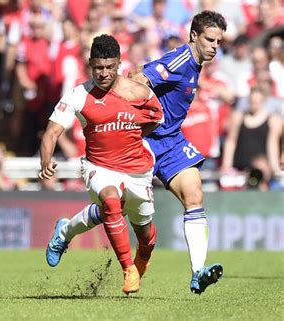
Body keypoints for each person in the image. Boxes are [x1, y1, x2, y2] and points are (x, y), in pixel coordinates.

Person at [46, 10, 227, 295]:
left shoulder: (195, 63)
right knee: (113, 206)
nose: (215, 46)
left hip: (172, 141)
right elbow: (137, 79)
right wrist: (127, 121)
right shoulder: (180, 59)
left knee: (194, 195)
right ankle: (66, 231)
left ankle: (198, 272)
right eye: (210, 39)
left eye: (218, 41)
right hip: (143, 140)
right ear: (194, 36)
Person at [39, 34, 164, 295]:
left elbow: (157, 118)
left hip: (137, 171)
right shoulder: (79, 95)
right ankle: (127, 268)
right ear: (90, 64)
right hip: (99, 166)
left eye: (109, 67)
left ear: (118, 63)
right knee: (109, 201)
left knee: (146, 237)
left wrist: (132, 137)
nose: (103, 73)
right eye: (98, 67)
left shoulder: (138, 92)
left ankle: (65, 231)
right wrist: (46, 160)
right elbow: (52, 131)